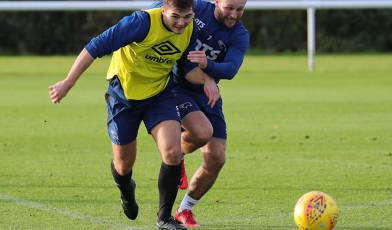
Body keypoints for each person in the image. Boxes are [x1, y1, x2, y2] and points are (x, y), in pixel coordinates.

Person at [48, 1, 195, 229]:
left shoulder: (190, 26)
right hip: (123, 97)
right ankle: (126, 190)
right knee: (123, 165)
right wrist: (68, 82)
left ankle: (164, 218)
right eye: (176, 16)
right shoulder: (141, 23)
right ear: (164, 9)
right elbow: (95, 46)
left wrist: (207, 83)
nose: (182, 22)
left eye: (187, 16)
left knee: (173, 151)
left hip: (159, 95)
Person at [151, 0, 249, 227]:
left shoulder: (240, 34)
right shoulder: (195, 9)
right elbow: (160, 8)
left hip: (207, 92)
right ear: (217, 2)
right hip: (176, 86)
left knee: (217, 157)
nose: (234, 14)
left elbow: (231, 69)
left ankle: (184, 209)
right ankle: (175, 159)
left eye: (240, 9)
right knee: (202, 132)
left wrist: (207, 67)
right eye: (229, 8)